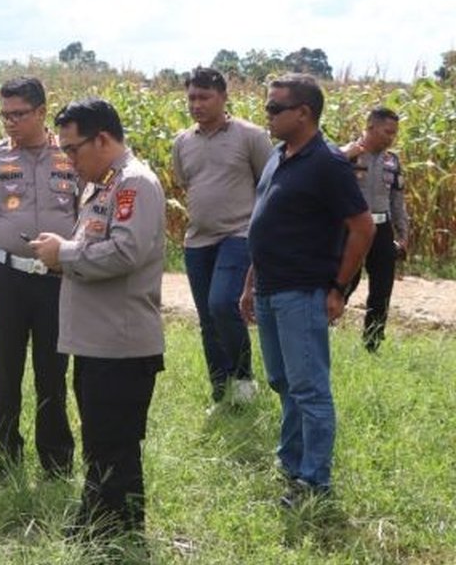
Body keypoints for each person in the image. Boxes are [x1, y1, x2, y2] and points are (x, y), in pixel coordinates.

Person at [29, 97, 165, 537]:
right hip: (94, 341)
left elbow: (125, 251)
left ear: (102, 139)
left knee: (114, 444)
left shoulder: (134, 185)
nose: (68, 159)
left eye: (73, 148)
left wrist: (63, 254)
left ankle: (116, 534)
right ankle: (94, 522)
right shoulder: (102, 184)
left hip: (120, 344)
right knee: (100, 442)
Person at [240, 73, 374, 506]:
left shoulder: (328, 162)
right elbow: (266, 224)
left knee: (310, 389)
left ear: (304, 113)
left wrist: (338, 287)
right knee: (282, 381)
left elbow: (362, 227)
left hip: (301, 291)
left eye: (276, 108)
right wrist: (250, 283)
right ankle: (292, 464)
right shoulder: (280, 155)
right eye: (267, 107)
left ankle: (314, 481)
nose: (268, 115)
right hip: (269, 289)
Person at [0, 76, 77, 481]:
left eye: (19, 114)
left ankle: (56, 462)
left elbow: (85, 218)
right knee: (6, 374)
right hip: (6, 279)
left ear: (42, 112)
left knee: (53, 374)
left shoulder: (70, 154)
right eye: (5, 115)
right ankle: (7, 460)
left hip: (56, 280)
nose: (10, 122)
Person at [171, 66, 273, 407]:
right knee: (206, 318)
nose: (196, 104)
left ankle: (243, 377)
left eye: (204, 97)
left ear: (223, 97)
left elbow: (269, 185)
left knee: (221, 304)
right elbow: (187, 183)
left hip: (239, 233)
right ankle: (219, 389)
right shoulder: (182, 142)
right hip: (197, 240)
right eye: (191, 98)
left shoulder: (250, 135)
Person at [340, 107, 409, 352]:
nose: (391, 137)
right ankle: (325, 329)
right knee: (346, 282)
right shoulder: (346, 155)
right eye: (387, 132)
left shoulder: (392, 161)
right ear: (369, 127)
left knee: (382, 288)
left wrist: (402, 235)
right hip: (351, 230)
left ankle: (373, 343)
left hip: (381, 229)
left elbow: (397, 202)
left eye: (394, 133)